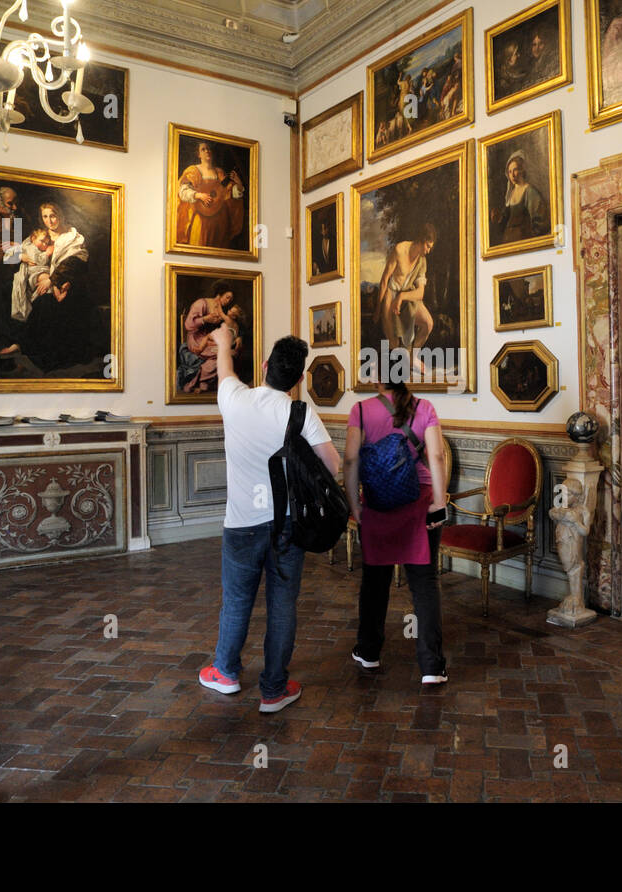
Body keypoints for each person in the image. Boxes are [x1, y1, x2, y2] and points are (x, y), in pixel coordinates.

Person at [200, 330, 341, 713]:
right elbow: (333, 466)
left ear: (264, 367)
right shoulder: (300, 412)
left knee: (237, 600)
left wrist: (225, 338)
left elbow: (226, 366)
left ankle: (226, 673)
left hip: (241, 524)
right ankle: (274, 690)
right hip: (287, 525)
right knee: (282, 605)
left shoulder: (234, 399)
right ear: (298, 381)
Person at [344, 349, 448, 684]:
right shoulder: (425, 408)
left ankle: (369, 651)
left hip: (377, 505)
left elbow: (349, 461)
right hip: (420, 503)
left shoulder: (360, 410)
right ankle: (431, 667)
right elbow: (436, 455)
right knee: (425, 584)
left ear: (376, 376)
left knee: (375, 581)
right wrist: (439, 501)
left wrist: (355, 505)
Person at [0, 201, 93, 373]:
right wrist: (21, 257)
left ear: (61, 215)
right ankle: (16, 343)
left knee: (46, 302)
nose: (50, 220)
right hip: (34, 280)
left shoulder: (72, 237)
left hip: (63, 282)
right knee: (6, 290)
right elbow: (17, 251)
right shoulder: (39, 235)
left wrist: (53, 279)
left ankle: (29, 350)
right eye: (45, 217)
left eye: (53, 215)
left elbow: (77, 261)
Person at [376, 222, 436, 370]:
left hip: (407, 297)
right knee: (394, 343)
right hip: (391, 294)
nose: (428, 251)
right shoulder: (400, 249)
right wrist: (378, 308)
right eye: (427, 246)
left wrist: (402, 296)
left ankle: (413, 358)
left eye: (430, 248)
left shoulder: (422, 261)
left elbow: (420, 293)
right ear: (421, 240)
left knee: (428, 324)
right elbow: (384, 280)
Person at [175, 140, 246, 250]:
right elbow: (183, 191)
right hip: (200, 219)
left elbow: (230, 193)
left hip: (220, 221)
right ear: (198, 154)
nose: (207, 151)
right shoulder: (193, 171)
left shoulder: (219, 173)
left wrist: (238, 183)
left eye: (208, 149)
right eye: (203, 149)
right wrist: (199, 195)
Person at [177, 282, 234, 392]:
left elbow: (231, 325)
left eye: (230, 300)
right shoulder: (201, 303)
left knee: (229, 352)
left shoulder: (221, 309)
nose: (228, 301)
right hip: (196, 338)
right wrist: (204, 319)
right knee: (222, 353)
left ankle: (203, 380)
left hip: (208, 338)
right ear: (219, 294)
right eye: (227, 297)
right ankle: (201, 382)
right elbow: (188, 325)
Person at [490, 151, 549, 246]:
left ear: (522, 170)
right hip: (509, 241)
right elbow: (507, 219)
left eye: (515, 170)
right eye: (509, 172)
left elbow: (540, 219)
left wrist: (529, 235)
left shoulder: (529, 191)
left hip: (523, 241)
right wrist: (499, 217)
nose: (512, 175)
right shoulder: (511, 193)